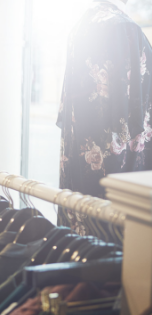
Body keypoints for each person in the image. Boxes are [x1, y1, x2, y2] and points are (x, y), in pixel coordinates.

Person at [57, 0, 152, 237]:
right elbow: (127, 109)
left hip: (80, 142)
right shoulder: (125, 28)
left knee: (81, 227)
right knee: (113, 229)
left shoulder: (81, 26)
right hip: (114, 152)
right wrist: (124, 136)